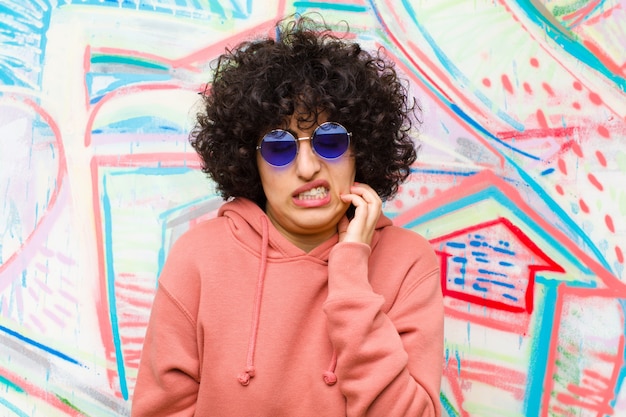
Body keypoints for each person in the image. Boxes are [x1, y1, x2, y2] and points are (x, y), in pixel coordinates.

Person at [131, 14, 444, 417]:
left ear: (360, 149)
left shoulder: (406, 262)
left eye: (329, 141)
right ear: (250, 160)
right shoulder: (198, 258)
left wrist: (350, 278)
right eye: (280, 147)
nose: (308, 167)